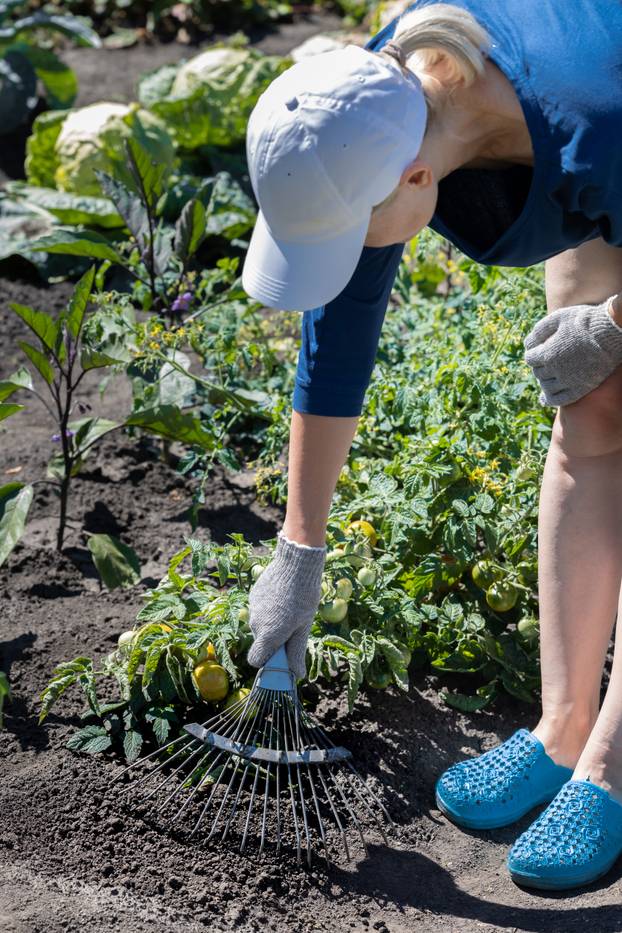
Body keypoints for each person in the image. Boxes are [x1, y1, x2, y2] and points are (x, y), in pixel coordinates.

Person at [240, 0, 622, 891]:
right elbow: (339, 335)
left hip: (606, 111)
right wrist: (300, 546)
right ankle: (562, 729)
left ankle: (611, 767)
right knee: (590, 412)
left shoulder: (591, 124)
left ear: (417, 181)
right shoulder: (371, 99)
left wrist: (611, 322)